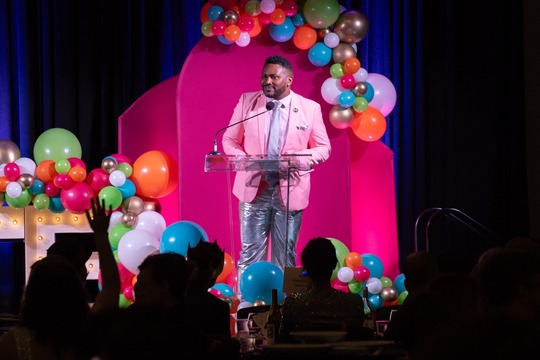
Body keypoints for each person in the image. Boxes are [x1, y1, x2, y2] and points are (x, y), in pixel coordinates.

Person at [222, 55, 331, 280]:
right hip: (254, 189)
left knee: (286, 255)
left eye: (274, 77)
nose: (267, 81)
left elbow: (323, 148)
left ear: (289, 80)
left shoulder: (309, 108)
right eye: (264, 76)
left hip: (291, 192)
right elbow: (228, 140)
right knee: (250, 253)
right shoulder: (247, 102)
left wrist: (297, 158)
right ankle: (248, 304)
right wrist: (245, 160)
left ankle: (286, 306)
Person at [0, 198, 120, 360]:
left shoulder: (11, 343)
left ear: (31, 293)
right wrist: (100, 235)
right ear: (75, 287)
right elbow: (111, 287)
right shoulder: (87, 333)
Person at [279, 237, 370, 342]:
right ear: (334, 265)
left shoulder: (292, 303)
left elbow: (283, 340)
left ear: (305, 269)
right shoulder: (354, 302)